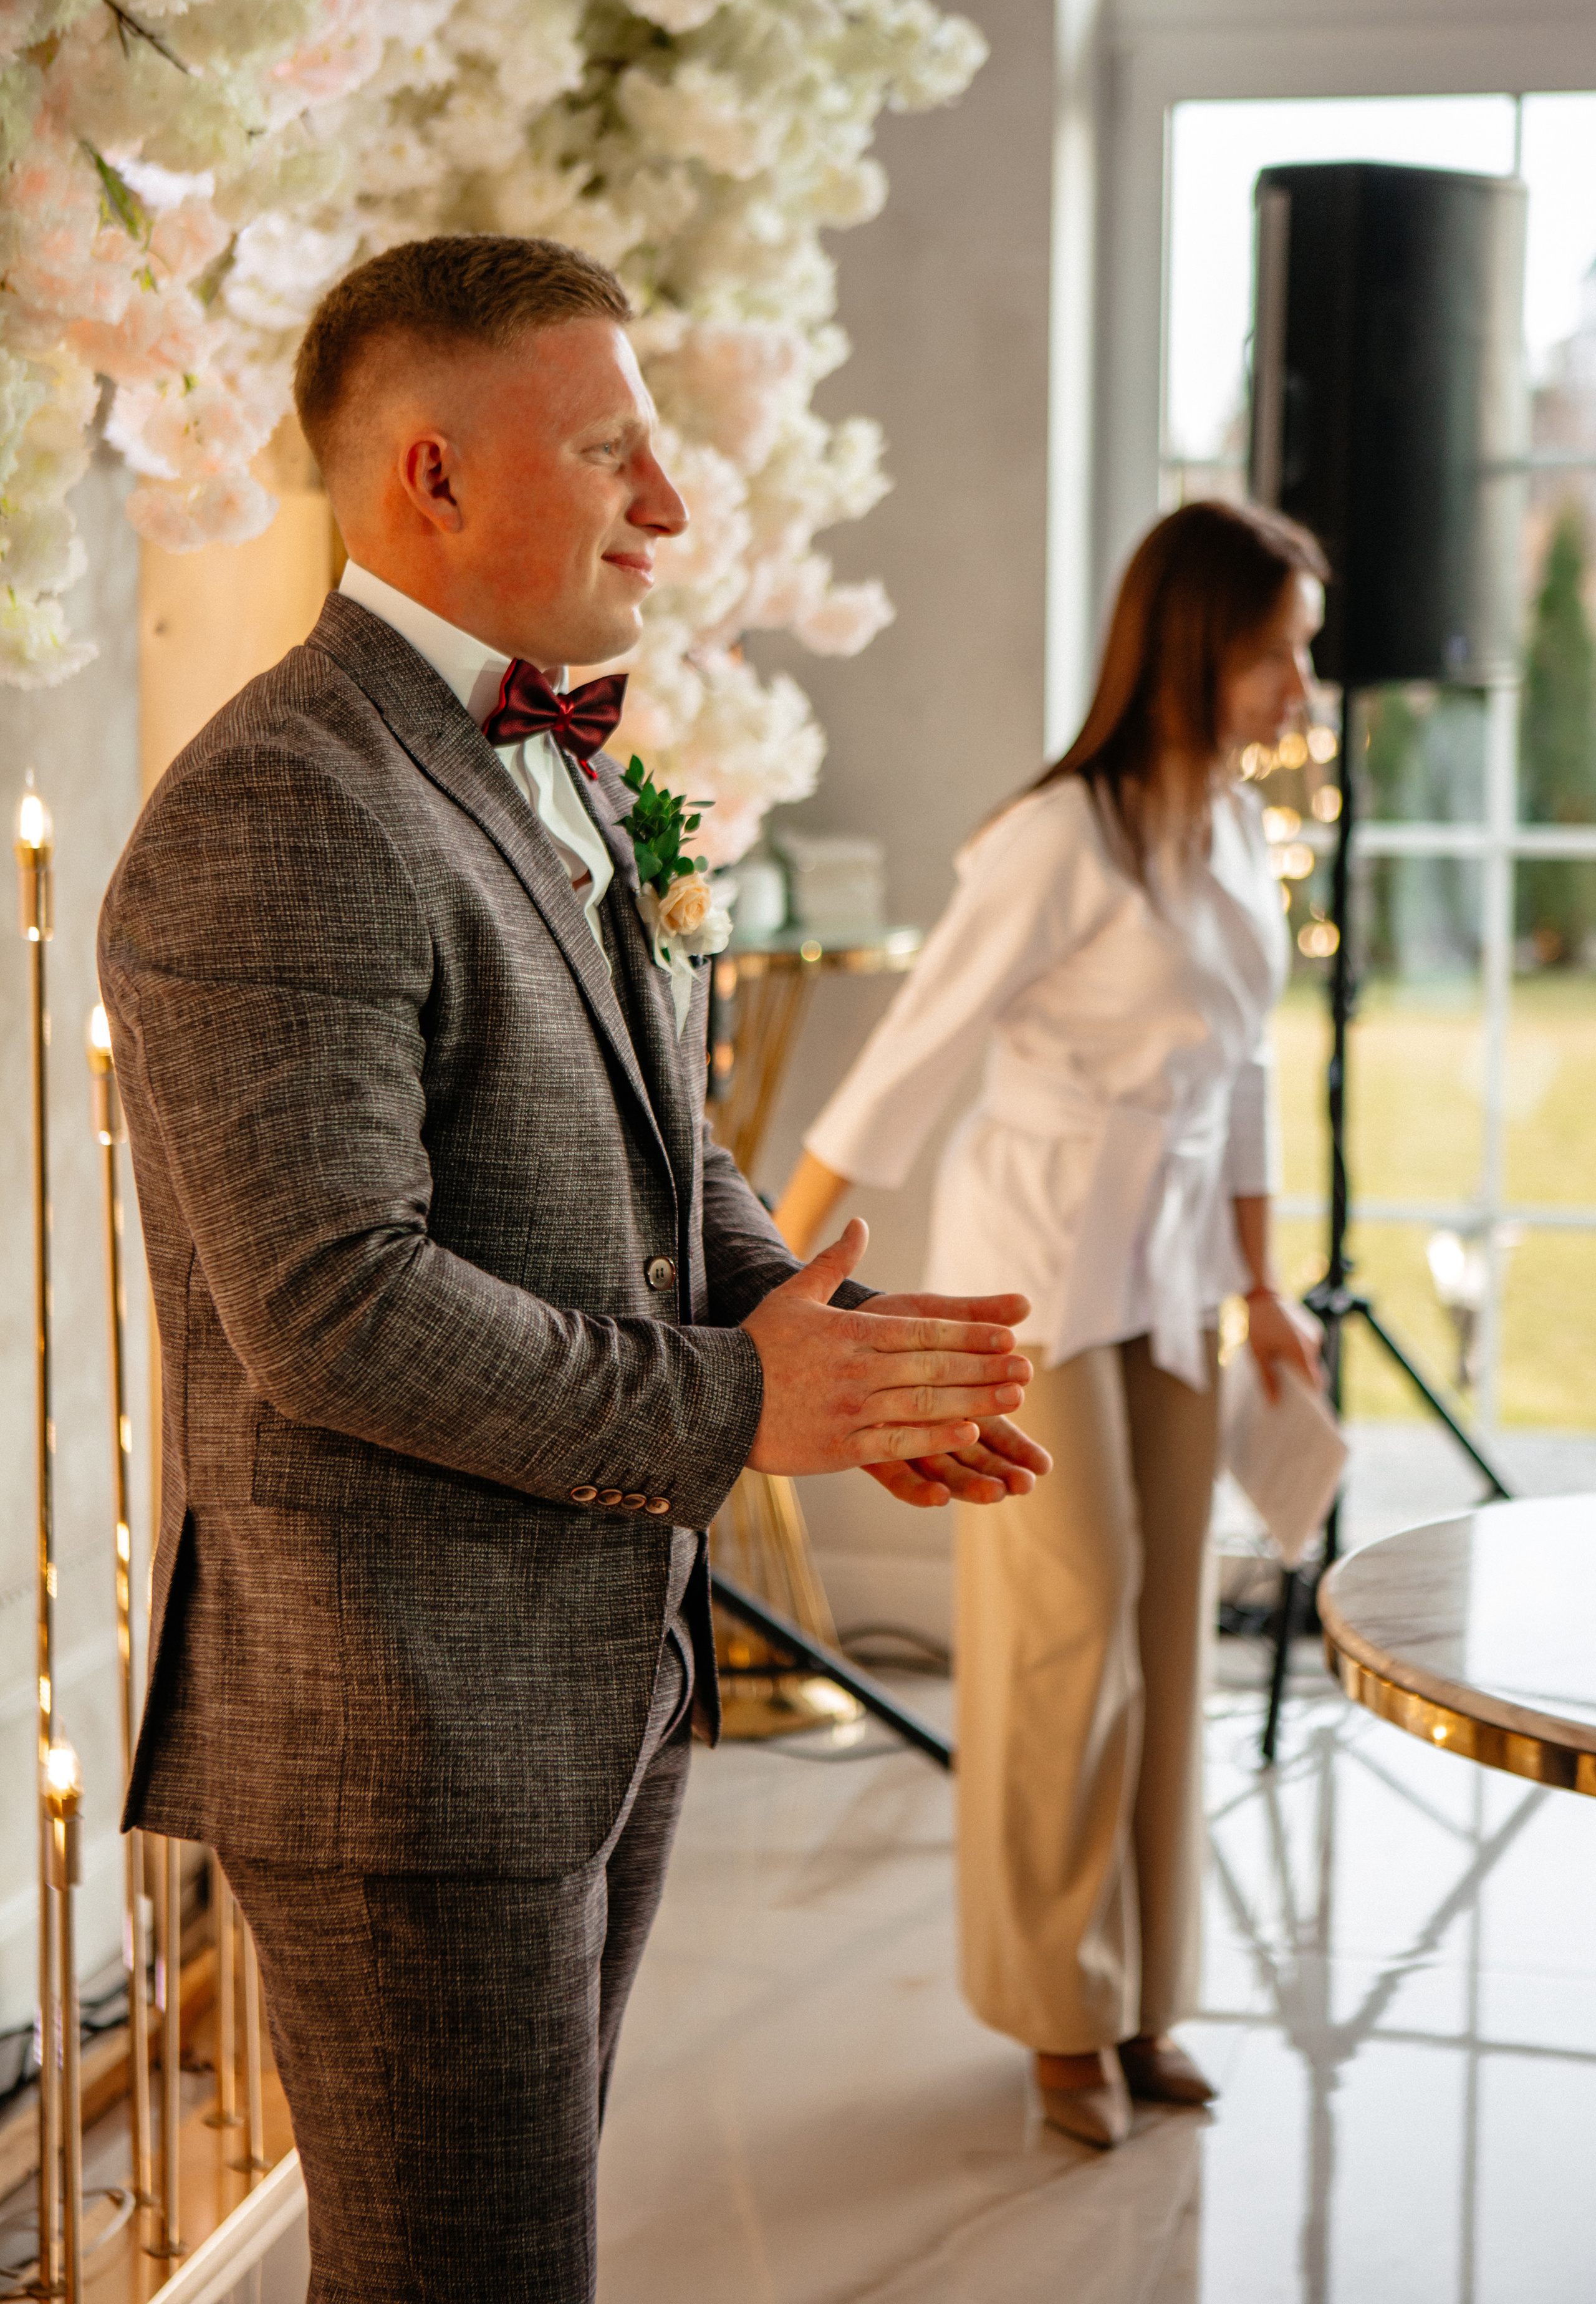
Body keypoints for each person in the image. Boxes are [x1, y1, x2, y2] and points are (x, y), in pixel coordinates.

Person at [99, 234, 1050, 2301]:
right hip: (406, 1717)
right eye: (615, 449)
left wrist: (836, 1349)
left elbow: (653, 1133)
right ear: (431, 477)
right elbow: (336, 1306)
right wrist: (735, 1406)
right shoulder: (284, 799)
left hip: (583, 1673)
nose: (673, 504)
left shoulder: (555, 763)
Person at [777, 499, 1327, 2149]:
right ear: (1201, 646)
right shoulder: (1057, 841)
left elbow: (1238, 1081)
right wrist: (761, 1282)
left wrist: (1263, 1283)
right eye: (1283, 655)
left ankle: (1146, 1994)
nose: (1304, 689)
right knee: (1063, 1629)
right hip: (1030, 1280)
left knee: (1170, 1642)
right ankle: (1053, 2011)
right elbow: (906, 1066)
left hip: (1165, 1283)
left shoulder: (1230, 831)